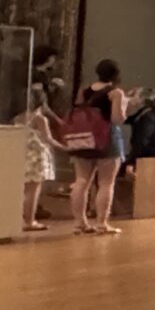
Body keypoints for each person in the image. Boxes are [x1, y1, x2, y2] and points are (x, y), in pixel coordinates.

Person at [64, 57, 131, 236]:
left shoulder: (84, 91)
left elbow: (78, 109)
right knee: (106, 183)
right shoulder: (115, 93)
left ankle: (79, 223)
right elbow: (117, 118)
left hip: (84, 138)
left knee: (81, 181)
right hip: (107, 139)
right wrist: (125, 105)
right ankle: (102, 223)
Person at [23, 43, 66, 232]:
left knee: (27, 184)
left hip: (26, 134)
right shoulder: (37, 78)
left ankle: (27, 214)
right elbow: (42, 102)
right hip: (36, 143)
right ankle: (29, 218)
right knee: (33, 185)